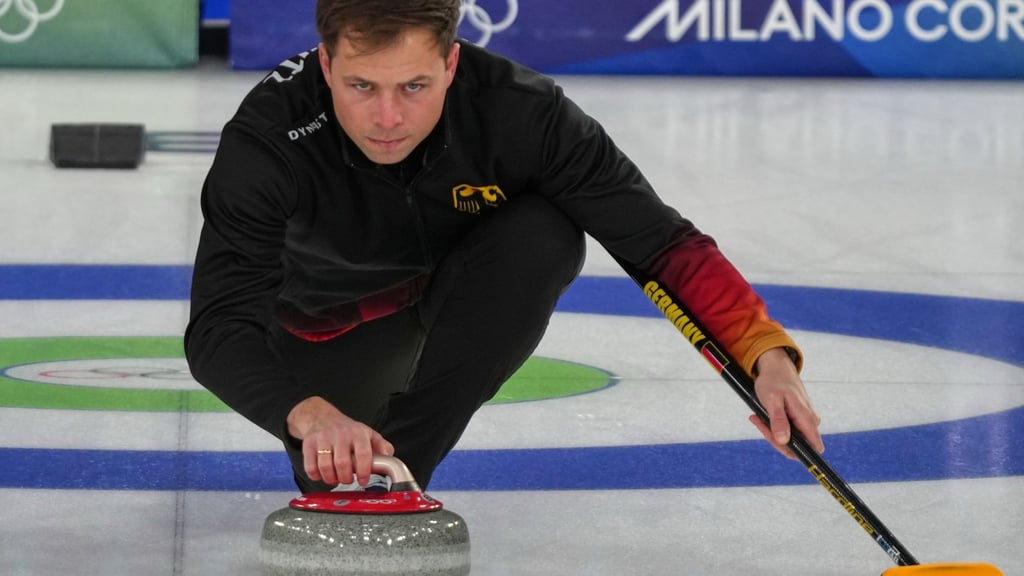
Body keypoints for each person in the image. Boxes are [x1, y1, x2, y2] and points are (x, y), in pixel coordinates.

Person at [184, 0, 824, 494]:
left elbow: (658, 242)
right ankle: (358, 458)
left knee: (545, 231)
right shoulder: (269, 140)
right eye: (360, 87)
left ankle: (401, 469)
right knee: (331, 462)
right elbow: (218, 328)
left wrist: (762, 352)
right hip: (326, 336)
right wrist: (307, 412)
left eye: (414, 86)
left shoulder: (523, 113)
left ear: (452, 62)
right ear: (325, 65)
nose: (387, 119)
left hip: (462, 307)